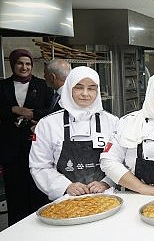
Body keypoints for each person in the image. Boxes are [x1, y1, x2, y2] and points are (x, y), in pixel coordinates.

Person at [30, 66, 118, 200]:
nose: (85, 93)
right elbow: (40, 166)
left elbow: (120, 160)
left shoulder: (112, 122)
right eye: (79, 87)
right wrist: (66, 186)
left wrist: (106, 182)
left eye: (91, 88)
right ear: (68, 88)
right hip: (66, 199)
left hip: (107, 197)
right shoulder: (48, 124)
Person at [0, 49, 53, 224]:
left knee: (38, 190)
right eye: (20, 63)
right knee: (15, 192)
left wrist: (33, 113)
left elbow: (52, 111)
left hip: (36, 147)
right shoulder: (2, 86)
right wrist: (12, 109)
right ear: (12, 65)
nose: (24, 67)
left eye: (28, 64)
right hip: (11, 149)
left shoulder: (42, 85)